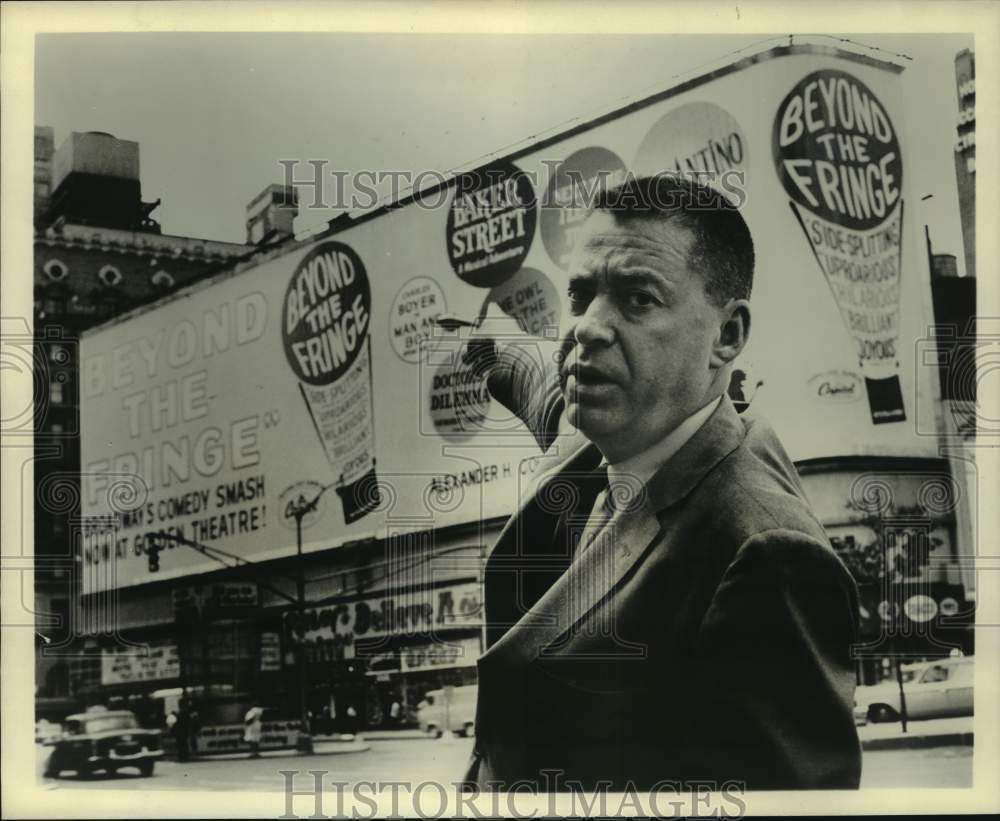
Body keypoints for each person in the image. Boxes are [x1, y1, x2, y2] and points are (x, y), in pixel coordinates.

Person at [461, 174, 861, 792]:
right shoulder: (618, 435)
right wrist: (488, 354)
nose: (587, 329)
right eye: (580, 295)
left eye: (638, 300)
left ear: (726, 336)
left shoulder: (764, 552)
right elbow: (541, 396)